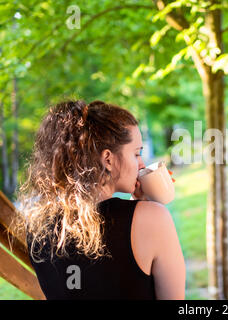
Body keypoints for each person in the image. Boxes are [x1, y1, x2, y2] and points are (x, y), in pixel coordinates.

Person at [14, 100, 185, 300]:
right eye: (136, 153)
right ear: (108, 160)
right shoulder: (153, 219)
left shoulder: (37, 227)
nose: (142, 164)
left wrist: (140, 207)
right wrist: (149, 209)